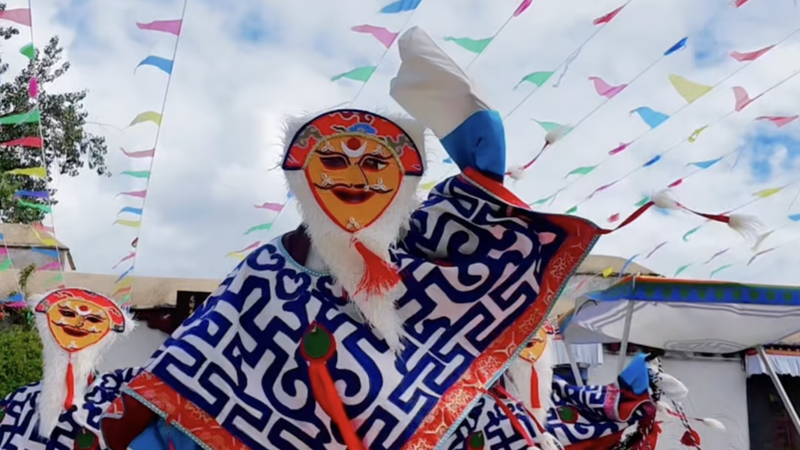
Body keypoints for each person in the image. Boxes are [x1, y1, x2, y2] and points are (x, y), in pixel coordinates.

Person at [1, 26, 748, 450]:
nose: (354, 173)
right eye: (332, 158)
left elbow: (479, 211)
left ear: (405, 178)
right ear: (300, 173)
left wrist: (470, 137)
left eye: (375, 162)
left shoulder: (418, 254)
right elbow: (197, 370)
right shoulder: (266, 269)